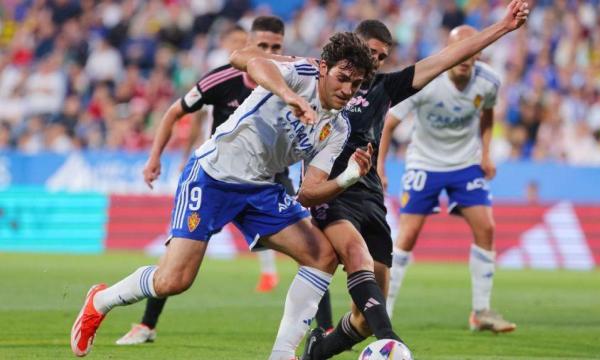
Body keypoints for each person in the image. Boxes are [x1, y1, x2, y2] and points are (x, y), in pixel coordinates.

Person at [70, 31, 375, 360]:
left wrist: (348, 177)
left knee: (322, 256)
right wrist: (289, 96)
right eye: (342, 78)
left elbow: (308, 193)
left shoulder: (338, 129)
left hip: (260, 188)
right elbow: (253, 62)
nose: (347, 89)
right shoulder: (301, 74)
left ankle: (282, 354)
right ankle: (100, 301)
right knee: (173, 280)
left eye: (355, 84)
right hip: (212, 177)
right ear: (325, 68)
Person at [296, 1, 528, 358]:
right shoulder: (321, 78)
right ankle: (392, 342)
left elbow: (447, 58)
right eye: (370, 52)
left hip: (369, 195)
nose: (374, 60)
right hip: (332, 190)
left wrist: (502, 27)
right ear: (353, 48)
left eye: (381, 56)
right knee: (358, 262)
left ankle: (316, 353)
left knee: (362, 318)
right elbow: (271, 70)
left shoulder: (386, 88)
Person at [113, 16, 333, 346]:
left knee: (316, 250)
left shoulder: (293, 78)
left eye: (276, 47)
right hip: (218, 175)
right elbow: (177, 112)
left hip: (269, 180)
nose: (270, 52)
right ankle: (147, 323)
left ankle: (324, 329)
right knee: (176, 267)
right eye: (263, 46)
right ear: (249, 46)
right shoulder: (223, 79)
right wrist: (156, 157)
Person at [379, 25, 516, 333]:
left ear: (479, 52)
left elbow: (488, 114)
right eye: (459, 51)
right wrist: (381, 167)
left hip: (465, 164)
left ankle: (481, 312)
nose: (465, 57)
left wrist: (485, 154)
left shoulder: (489, 81)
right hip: (424, 164)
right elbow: (389, 123)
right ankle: (384, 310)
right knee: (408, 235)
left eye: (471, 50)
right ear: (448, 52)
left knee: (486, 228)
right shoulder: (426, 80)